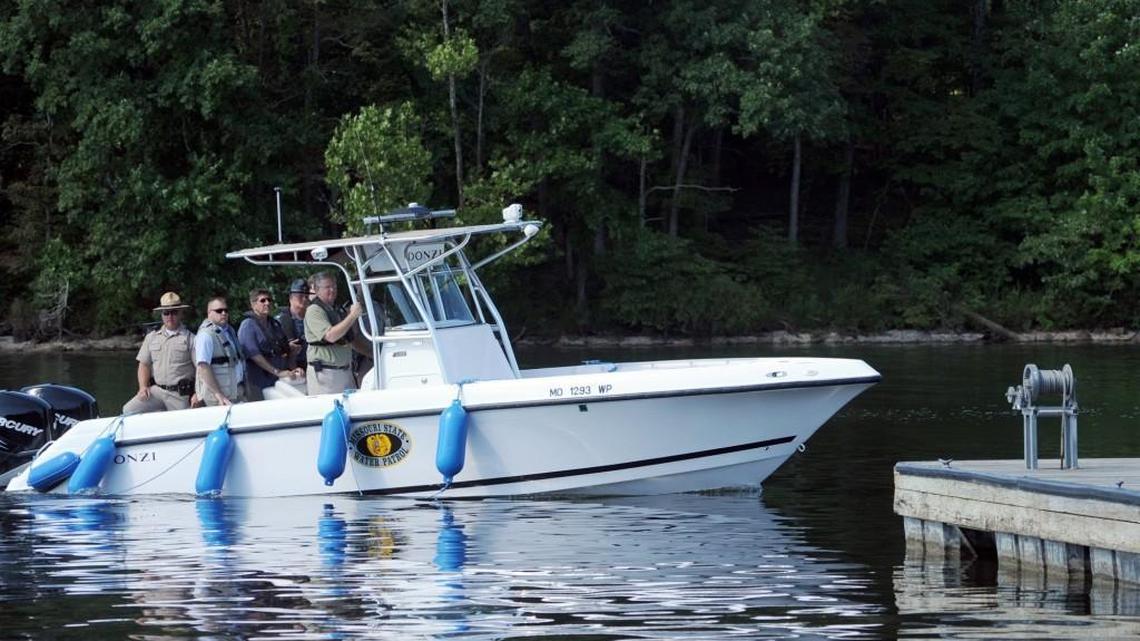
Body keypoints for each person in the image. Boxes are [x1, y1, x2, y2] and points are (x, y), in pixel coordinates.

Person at [123, 292, 197, 414]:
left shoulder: (191, 339)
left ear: (181, 313)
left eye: (174, 312)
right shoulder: (151, 337)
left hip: (180, 395)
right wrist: (143, 387)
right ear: (162, 315)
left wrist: (197, 393)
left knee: (183, 424)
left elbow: (200, 369)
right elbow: (144, 364)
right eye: (166, 313)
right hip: (157, 391)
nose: (170, 316)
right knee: (128, 410)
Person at [304, 272, 368, 394]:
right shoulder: (314, 310)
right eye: (327, 287)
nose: (332, 290)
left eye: (334, 286)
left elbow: (349, 336)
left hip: (345, 371)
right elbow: (331, 336)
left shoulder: (336, 309)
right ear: (317, 290)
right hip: (327, 375)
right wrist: (352, 315)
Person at [238, 288, 302, 401]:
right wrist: (277, 372)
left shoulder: (275, 324)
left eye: (269, 300)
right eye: (262, 300)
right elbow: (255, 356)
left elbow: (283, 352)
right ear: (253, 304)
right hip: (258, 383)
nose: (267, 303)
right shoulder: (247, 326)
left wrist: (293, 367)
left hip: (278, 380)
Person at [194, 296, 245, 406]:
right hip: (218, 400)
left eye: (226, 310)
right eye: (219, 311)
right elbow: (203, 367)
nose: (223, 313)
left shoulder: (229, 332)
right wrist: (218, 394)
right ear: (209, 313)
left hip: (235, 395)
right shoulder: (205, 335)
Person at [277, 278, 309, 371]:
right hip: (288, 370)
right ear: (291, 297)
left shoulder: (313, 318)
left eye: (306, 296)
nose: (304, 299)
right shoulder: (279, 321)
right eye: (300, 296)